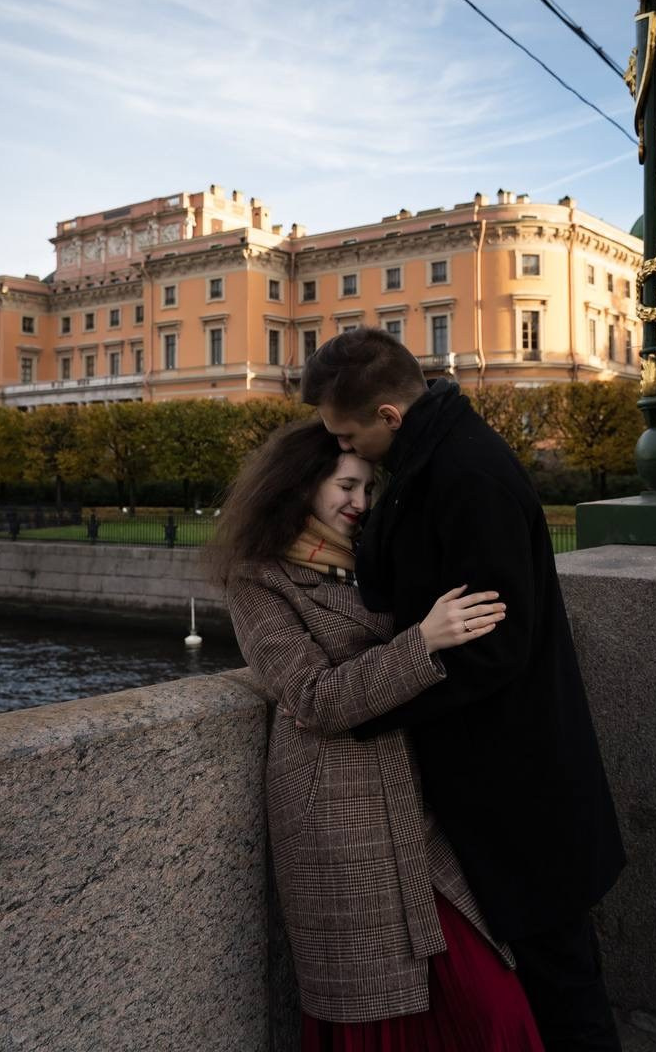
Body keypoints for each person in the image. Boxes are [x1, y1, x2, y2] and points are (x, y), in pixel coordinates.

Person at [301, 327, 626, 1052]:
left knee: (562, 985)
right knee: (545, 977)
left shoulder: (464, 475)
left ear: (388, 415)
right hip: (499, 779)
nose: (343, 449)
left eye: (348, 432)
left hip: (518, 781)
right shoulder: (434, 461)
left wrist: (368, 706)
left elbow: (495, 647)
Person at [218, 417, 545, 1050]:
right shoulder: (258, 579)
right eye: (345, 486)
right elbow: (315, 698)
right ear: (301, 486)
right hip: (337, 815)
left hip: (417, 794)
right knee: (376, 1004)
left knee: (489, 999)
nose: (359, 503)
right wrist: (422, 640)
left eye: (369, 487)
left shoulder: (376, 555)